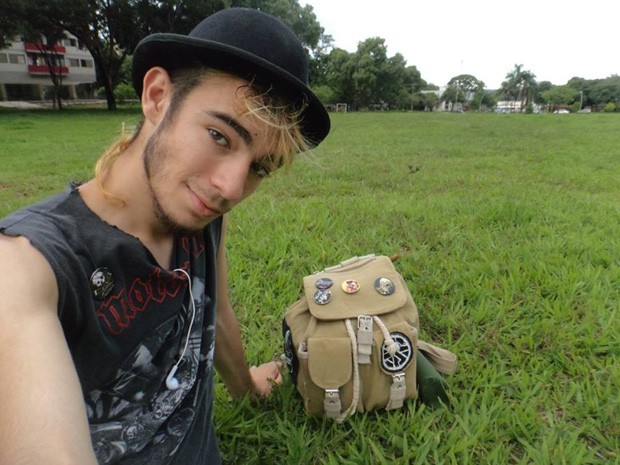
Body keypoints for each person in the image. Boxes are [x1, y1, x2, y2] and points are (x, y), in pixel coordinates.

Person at [0, 7, 330, 465]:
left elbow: (218, 312)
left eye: (260, 167)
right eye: (219, 135)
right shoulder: (27, 263)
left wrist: (247, 387)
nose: (231, 188)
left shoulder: (202, 215)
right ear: (157, 97)